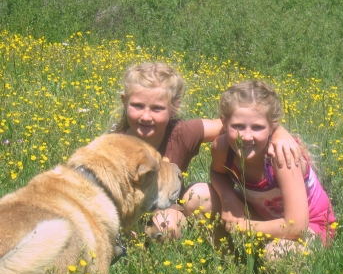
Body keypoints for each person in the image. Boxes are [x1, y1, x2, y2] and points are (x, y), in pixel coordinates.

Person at [110, 62, 302, 239]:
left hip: (167, 212)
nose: (146, 116)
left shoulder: (181, 134)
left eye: (157, 108)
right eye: (137, 106)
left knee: (167, 225)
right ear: (124, 101)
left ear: (174, 107)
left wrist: (278, 133)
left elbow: (240, 124)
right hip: (123, 215)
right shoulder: (111, 145)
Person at [185, 81, 336, 260]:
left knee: (278, 254)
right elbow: (218, 173)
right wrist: (228, 199)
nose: (246, 136)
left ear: (273, 127)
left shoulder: (281, 158)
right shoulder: (222, 148)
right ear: (224, 123)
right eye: (238, 127)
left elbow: (296, 228)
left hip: (310, 227)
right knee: (196, 196)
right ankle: (229, 264)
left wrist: (243, 227)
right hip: (263, 218)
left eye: (257, 127)